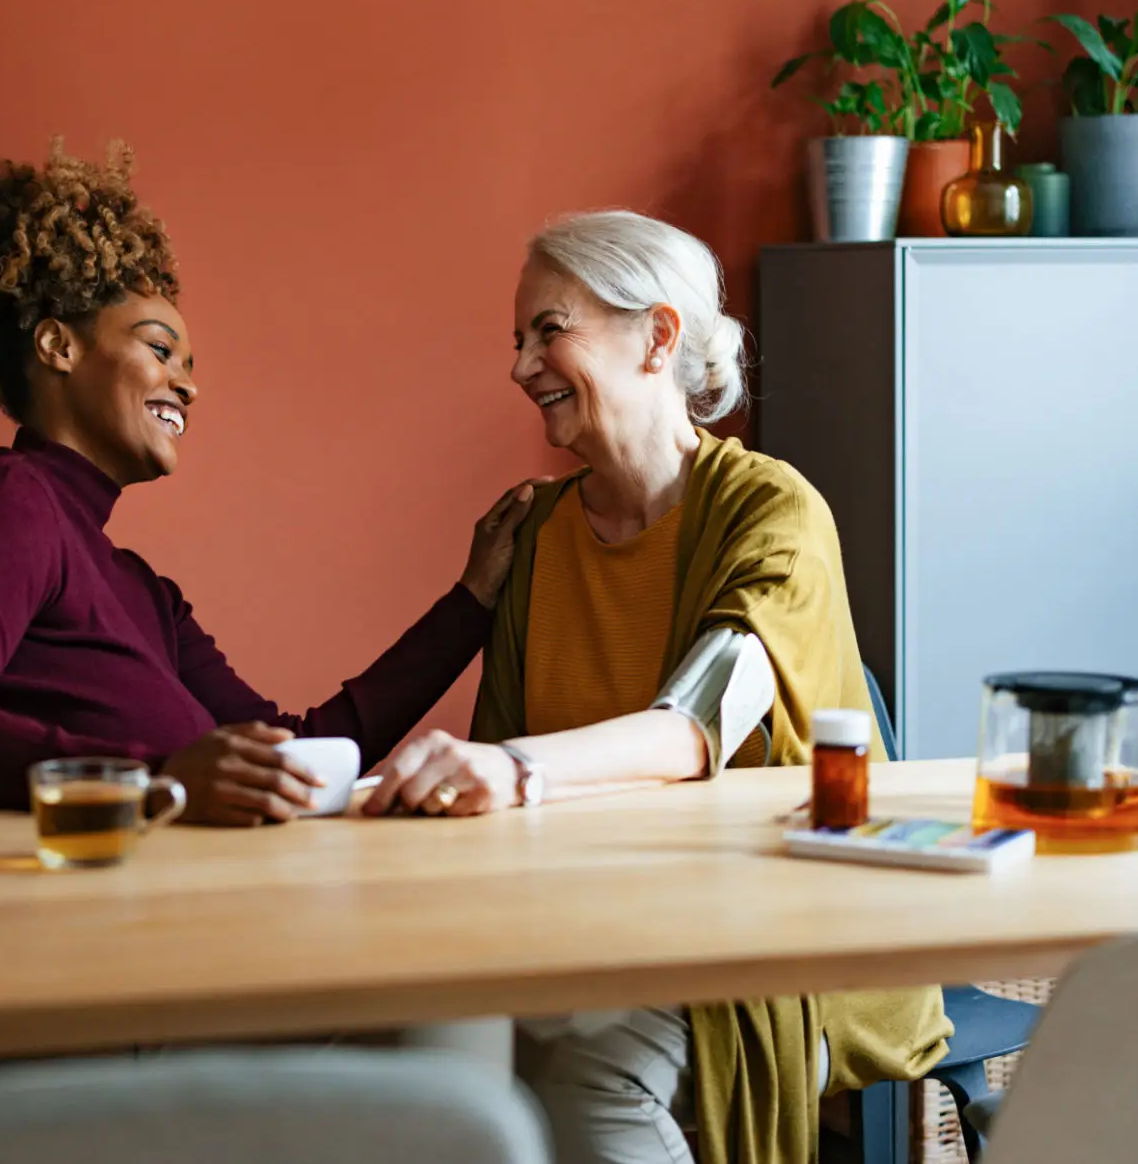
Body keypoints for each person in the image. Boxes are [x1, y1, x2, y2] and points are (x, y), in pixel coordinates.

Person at [363, 211, 951, 1164]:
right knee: (399, 1043)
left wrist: (509, 772)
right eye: (517, 341)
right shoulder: (535, 536)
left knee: (583, 1074)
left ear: (659, 336)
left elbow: (697, 722)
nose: (520, 366)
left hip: (776, 927)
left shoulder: (773, 510)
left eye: (550, 329)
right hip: (591, 918)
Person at [0, 139, 538, 822]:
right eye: (160, 350)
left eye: (187, 363)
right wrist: (160, 784)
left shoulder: (147, 596)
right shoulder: (7, 502)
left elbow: (296, 753)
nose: (188, 385)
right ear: (59, 346)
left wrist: (473, 601)